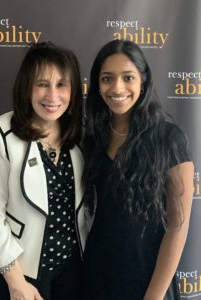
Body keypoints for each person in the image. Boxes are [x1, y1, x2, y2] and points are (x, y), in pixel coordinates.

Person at [82, 39, 194, 300]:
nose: (117, 87)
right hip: (96, 278)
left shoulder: (169, 137)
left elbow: (177, 229)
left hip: (148, 281)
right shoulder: (93, 138)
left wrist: (153, 296)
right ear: (98, 85)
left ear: (143, 81)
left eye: (128, 77)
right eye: (107, 78)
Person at [0, 41, 88, 300]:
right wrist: (16, 283)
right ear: (26, 87)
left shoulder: (82, 133)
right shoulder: (2, 133)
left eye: (61, 84)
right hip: (23, 271)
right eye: (42, 84)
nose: (52, 96)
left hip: (75, 269)